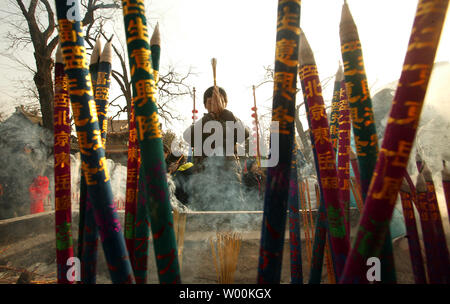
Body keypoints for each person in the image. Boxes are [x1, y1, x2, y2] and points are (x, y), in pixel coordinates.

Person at [182, 86, 250, 210]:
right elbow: (187, 137)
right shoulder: (201, 124)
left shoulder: (231, 122)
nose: (215, 105)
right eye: (210, 102)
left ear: (225, 103)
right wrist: (209, 117)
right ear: (205, 105)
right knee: (205, 220)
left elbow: (244, 134)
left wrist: (226, 113)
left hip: (230, 179)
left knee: (232, 220)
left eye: (219, 101)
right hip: (204, 179)